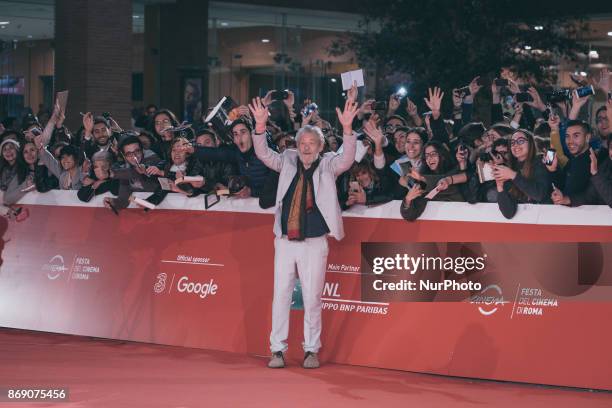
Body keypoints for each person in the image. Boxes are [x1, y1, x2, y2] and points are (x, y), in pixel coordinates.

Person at [250, 96, 358, 369]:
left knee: (312, 298)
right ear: (296, 146)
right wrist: (260, 126)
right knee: (281, 295)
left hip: (314, 242)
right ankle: (277, 350)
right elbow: (263, 154)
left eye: (311, 144)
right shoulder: (286, 160)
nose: (306, 148)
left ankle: (311, 350)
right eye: (302, 144)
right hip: (285, 241)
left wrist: (347, 130)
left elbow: (347, 159)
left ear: (320, 147)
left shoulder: (328, 164)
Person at [494, 130, 551, 219]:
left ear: (530, 143)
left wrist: (513, 175)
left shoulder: (541, 161)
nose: (515, 145)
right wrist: (500, 187)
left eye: (520, 141)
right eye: (512, 143)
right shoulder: (510, 168)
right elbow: (509, 213)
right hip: (525, 224)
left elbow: (539, 194)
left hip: (547, 219)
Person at [103, 136, 163, 211]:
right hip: (148, 211)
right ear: (124, 156)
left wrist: (112, 174)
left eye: (137, 151)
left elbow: (136, 172)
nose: (134, 157)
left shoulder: (152, 157)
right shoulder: (126, 168)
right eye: (129, 154)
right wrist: (113, 202)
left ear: (142, 150)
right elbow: (123, 201)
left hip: (169, 207)